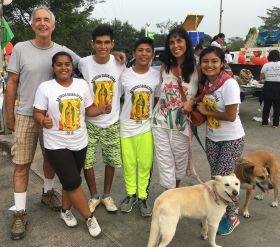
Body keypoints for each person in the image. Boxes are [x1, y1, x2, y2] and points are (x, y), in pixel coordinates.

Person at [5, 6, 80, 240]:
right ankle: (19, 212)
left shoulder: (63, 51)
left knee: (51, 160)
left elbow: (88, 63)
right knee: (22, 164)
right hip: (27, 115)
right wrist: (10, 115)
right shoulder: (20, 48)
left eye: (46, 19)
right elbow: (12, 82)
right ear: (32, 25)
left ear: (53, 25)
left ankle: (48, 193)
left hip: (53, 118)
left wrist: (116, 57)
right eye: (38, 19)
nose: (42, 23)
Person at [33, 52, 111, 237]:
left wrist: (100, 109)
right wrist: (43, 120)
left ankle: (65, 211)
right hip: (55, 143)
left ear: (71, 67)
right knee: (72, 181)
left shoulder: (81, 85)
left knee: (72, 181)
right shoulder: (46, 87)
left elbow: (88, 109)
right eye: (59, 64)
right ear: (53, 67)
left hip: (79, 141)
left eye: (67, 64)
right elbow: (37, 112)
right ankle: (89, 217)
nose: (63, 68)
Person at [196, 46, 245, 235]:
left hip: (231, 139)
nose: (209, 65)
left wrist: (206, 112)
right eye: (205, 61)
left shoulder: (229, 84)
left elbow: (231, 115)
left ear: (222, 63)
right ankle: (219, 212)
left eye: (214, 61)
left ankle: (231, 216)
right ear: (200, 64)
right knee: (217, 179)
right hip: (212, 138)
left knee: (225, 181)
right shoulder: (207, 84)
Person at [78, 25, 125, 213]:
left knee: (111, 160)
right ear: (92, 43)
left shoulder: (120, 63)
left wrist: (120, 54)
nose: (103, 46)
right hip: (89, 122)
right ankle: (94, 196)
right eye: (99, 42)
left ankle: (107, 195)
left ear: (112, 44)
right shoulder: (83, 62)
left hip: (112, 122)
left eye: (107, 42)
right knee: (87, 162)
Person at [152, 27, 199, 189]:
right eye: (171, 42)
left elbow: (205, 93)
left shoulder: (197, 67)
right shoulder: (164, 68)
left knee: (179, 163)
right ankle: (170, 199)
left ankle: (175, 193)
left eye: (179, 40)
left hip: (182, 125)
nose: (175, 45)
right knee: (165, 163)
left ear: (186, 42)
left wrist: (192, 103)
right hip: (160, 122)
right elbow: (159, 95)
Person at [119, 37, 160, 216]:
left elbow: (157, 99)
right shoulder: (124, 73)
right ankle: (130, 194)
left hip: (146, 127)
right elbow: (117, 97)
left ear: (153, 54)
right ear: (134, 53)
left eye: (148, 50)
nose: (144, 54)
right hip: (126, 126)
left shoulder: (156, 75)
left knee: (144, 164)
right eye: (140, 50)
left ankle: (143, 197)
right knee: (128, 163)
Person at [260, 49, 280, 128]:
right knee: (277, 106)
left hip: (268, 86)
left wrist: (269, 75)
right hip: (278, 86)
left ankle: (264, 122)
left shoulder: (266, 65)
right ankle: (275, 124)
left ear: (270, 56)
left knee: (267, 105)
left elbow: (261, 77)